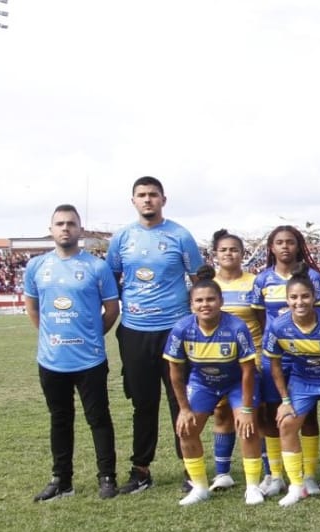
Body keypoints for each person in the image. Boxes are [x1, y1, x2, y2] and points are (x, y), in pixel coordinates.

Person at [106, 176, 204, 494]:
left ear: (164, 199)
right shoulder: (121, 238)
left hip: (175, 331)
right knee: (143, 403)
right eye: (142, 195)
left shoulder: (180, 235)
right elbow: (111, 280)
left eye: (153, 195)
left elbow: (200, 279)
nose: (148, 200)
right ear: (133, 200)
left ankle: (192, 470)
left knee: (181, 401)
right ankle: (141, 470)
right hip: (135, 331)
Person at [25, 204, 121, 501]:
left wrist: (90, 336)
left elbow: (112, 310)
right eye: (60, 223)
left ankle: (107, 477)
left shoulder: (96, 266)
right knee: (60, 419)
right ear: (51, 229)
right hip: (52, 360)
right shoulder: (36, 266)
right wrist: (51, 337)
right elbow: (32, 307)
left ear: (80, 229)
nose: (65, 228)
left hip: (89, 359)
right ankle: (62, 481)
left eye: (71, 223)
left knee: (99, 419)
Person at [164, 267, 262, 506]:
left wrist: (247, 409)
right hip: (203, 383)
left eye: (210, 299)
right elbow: (175, 372)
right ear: (191, 305)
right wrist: (184, 409)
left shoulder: (237, 328)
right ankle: (199, 487)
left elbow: (248, 370)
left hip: (237, 381)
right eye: (199, 300)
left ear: (220, 302)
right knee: (186, 430)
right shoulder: (181, 329)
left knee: (247, 426)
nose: (205, 304)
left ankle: (252, 487)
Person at [261, 264, 320, 506]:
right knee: (286, 424)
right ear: (287, 299)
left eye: (305, 296)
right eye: (293, 297)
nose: (299, 302)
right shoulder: (278, 326)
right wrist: (284, 401)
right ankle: (297, 486)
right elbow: (274, 365)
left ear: (314, 298)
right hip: (303, 380)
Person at [250, 225, 320, 497]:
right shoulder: (262, 280)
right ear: (271, 247)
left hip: (305, 357)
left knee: (306, 416)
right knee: (273, 414)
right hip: (275, 357)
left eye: (290, 242)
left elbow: (319, 318)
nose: (285, 247)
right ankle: (275, 475)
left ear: (299, 246)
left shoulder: (314, 279)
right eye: (279, 242)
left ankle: (308, 476)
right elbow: (262, 320)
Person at [205, 229, 260, 493]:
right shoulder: (209, 286)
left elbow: (262, 320)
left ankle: (263, 472)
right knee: (221, 412)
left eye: (234, 249)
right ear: (215, 254)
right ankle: (222, 472)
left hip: (252, 358)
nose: (229, 253)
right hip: (217, 362)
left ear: (242, 254)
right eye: (224, 249)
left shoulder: (254, 282)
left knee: (252, 413)